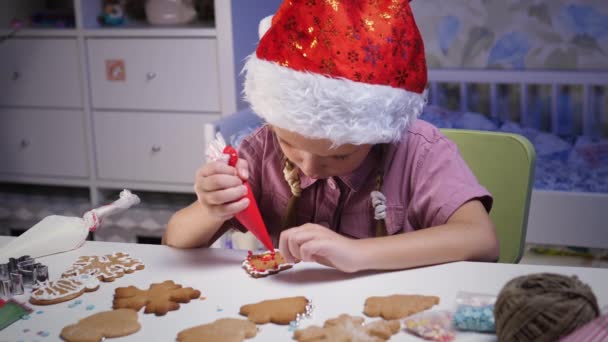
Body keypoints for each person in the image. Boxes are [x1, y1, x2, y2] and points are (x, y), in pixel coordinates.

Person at [165, 0, 499, 273]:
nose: (309, 167)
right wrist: (210, 209)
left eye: (339, 155)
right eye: (291, 145)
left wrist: (358, 253)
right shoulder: (260, 149)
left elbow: (481, 241)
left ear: (377, 134)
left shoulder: (418, 152)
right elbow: (173, 243)